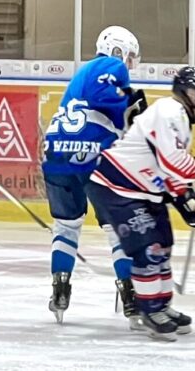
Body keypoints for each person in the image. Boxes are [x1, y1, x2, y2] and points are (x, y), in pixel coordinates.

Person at [86, 68, 195, 340]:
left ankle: (162, 306)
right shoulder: (169, 111)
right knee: (149, 249)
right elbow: (171, 161)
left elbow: (168, 172)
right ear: (188, 93)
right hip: (117, 188)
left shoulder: (181, 119)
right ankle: (149, 310)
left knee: (163, 246)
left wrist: (186, 201)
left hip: (143, 190)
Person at [41, 26, 145, 326]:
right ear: (117, 50)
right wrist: (130, 104)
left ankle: (60, 290)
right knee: (117, 226)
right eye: (129, 57)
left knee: (66, 226)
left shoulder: (80, 76)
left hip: (56, 153)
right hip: (91, 152)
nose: (129, 65)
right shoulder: (110, 65)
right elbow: (104, 96)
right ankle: (130, 295)